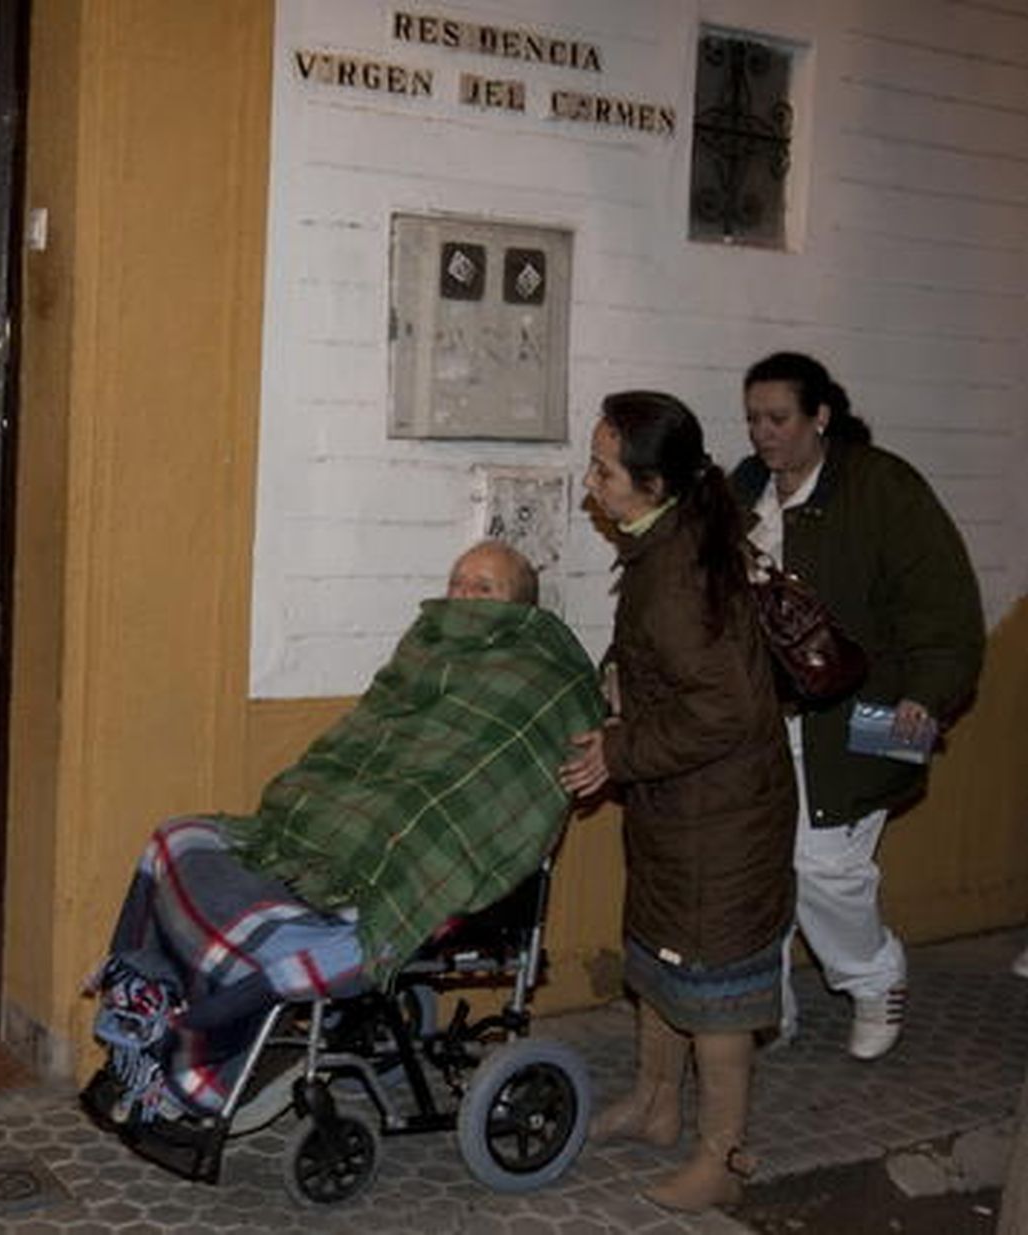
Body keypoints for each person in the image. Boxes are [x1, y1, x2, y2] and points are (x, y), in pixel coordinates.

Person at [83, 540, 605, 1125]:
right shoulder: (424, 649)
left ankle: (201, 1060)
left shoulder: (542, 681)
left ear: (522, 609)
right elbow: (370, 739)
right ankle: (151, 1009)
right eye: (457, 583)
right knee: (177, 841)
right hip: (329, 841)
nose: (463, 598)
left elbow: (481, 793)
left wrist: (397, 817)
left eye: (484, 589)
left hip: (411, 858)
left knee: (400, 826)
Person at [559, 391, 795, 1213]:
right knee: (661, 956)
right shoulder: (665, 541)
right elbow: (664, 667)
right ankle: (658, 1106)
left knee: (717, 986)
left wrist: (619, 751)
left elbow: (724, 707)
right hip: (681, 804)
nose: (590, 484)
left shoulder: (681, 569)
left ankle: (722, 1154)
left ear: (654, 483)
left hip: (720, 817)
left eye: (603, 469)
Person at [732, 352, 984, 1059]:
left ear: (821, 416)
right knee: (760, 863)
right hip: (767, 721)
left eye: (778, 418)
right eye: (753, 418)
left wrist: (928, 696)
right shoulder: (743, 492)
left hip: (877, 712)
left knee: (824, 864)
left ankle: (876, 979)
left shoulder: (883, 488)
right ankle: (764, 1005)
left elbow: (943, 606)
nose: (763, 433)